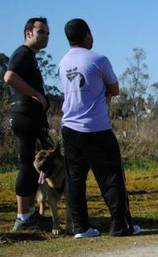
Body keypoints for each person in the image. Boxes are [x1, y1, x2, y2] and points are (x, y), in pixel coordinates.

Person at [58, 19, 140, 238]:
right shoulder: (98, 59)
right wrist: (106, 93)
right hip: (96, 127)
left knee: (75, 179)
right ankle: (119, 225)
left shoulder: (63, 62)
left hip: (69, 127)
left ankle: (80, 227)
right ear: (86, 35)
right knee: (111, 176)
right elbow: (115, 87)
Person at [4, 17, 52, 231]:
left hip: (31, 119)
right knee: (26, 166)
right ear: (28, 33)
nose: (45, 37)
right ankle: (22, 219)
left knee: (34, 169)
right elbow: (9, 76)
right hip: (24, 117)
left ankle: (31, 214)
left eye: (47, 33)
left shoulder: (30, 57)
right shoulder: (22, 53)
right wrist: (36, 95)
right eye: (41, 32)